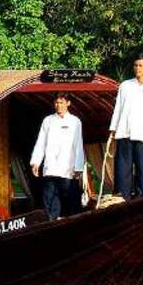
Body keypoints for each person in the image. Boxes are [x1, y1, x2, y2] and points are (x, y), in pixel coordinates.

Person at [109, 54, 143, 200]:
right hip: (124, 132)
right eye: (136, 65)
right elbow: (118, 108)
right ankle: (122, 197)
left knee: (142, 167)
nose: (137, 68)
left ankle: (141, 197)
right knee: (123, 168)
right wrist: (113, 129)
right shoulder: (125, 85)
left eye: (141, 66)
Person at [30, 92, 85, 220]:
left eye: (61, 103)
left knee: (70, 199)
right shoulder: (48, 120)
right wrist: (36, 162)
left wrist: (78, 167)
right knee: (49, 198)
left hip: (67, 168)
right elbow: (41, 142)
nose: (58, 105)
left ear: (68, 103)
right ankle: (51, 222)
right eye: (56, 103)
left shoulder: (75, 121)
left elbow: (78, 144)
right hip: (51, 167)